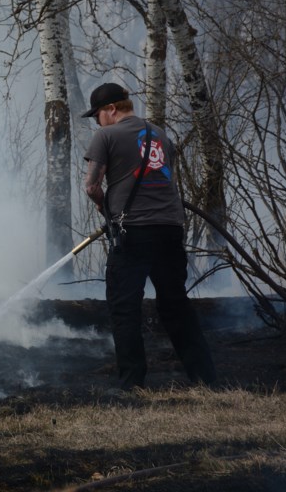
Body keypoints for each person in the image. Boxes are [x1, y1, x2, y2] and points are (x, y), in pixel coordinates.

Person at [82, 82, 216, 390]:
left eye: (97, 114)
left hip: (133, 235)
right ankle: (206, 379)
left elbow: (91, 186)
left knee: (124, 308)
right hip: (170, 229)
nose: (96, 121)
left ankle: (133, 385)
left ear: (111, 109)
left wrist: (106, 210)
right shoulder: (160, 134)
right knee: (175, 305)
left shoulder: (106, 135)